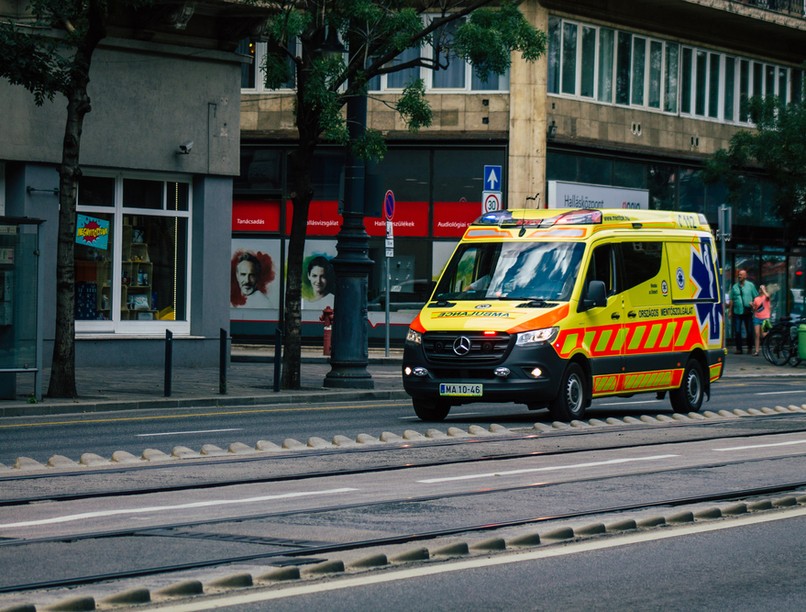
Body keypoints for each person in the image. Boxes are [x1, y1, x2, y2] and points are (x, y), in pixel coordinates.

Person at [729, 268, 758, 354]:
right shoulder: (734, 287)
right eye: (739, 275)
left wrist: (753, 304)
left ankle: (749, 348)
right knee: (737, 331)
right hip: (737, 311)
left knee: (749, 331)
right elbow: (731, 299)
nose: (739, 276)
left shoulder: (750, 285)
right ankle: (739, 349)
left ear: (745, 276)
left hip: (748, 311)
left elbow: (756, 297)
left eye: (741, 275)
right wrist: (730, 311)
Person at [752, 284, 771, 356]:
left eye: (762, 288)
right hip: (757, 317)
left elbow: (768, 296)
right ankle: (757, 350)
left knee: (764, 335)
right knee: (757, 334)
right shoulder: (756, 298)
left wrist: (764, 290)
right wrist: (753, 306)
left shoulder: (766, 297)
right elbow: (754, 309)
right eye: (760, 289)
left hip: (765, 318)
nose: (761, 290)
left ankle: (767, 348)